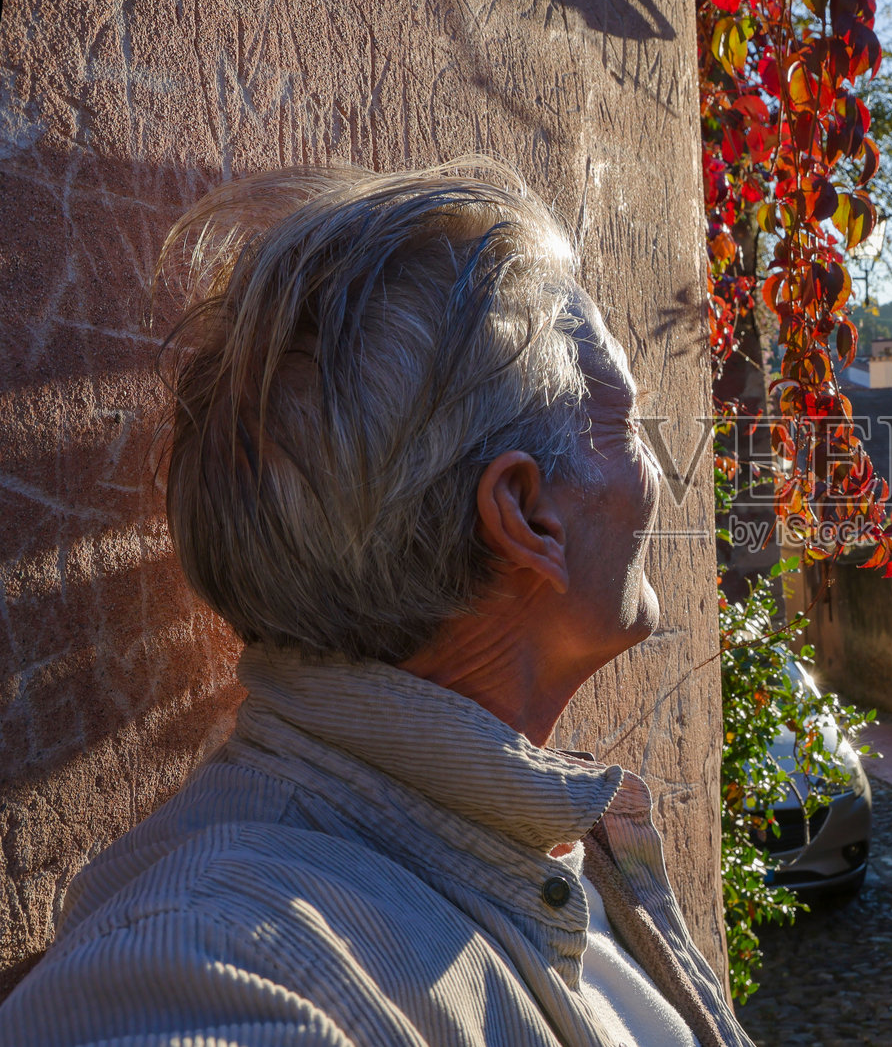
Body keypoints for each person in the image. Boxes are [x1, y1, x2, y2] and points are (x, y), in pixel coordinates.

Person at [0, 163, 751, 1047]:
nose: (658, 475)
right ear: (526, 515)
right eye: (625, 426)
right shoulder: (220, 954)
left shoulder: (542, 847)